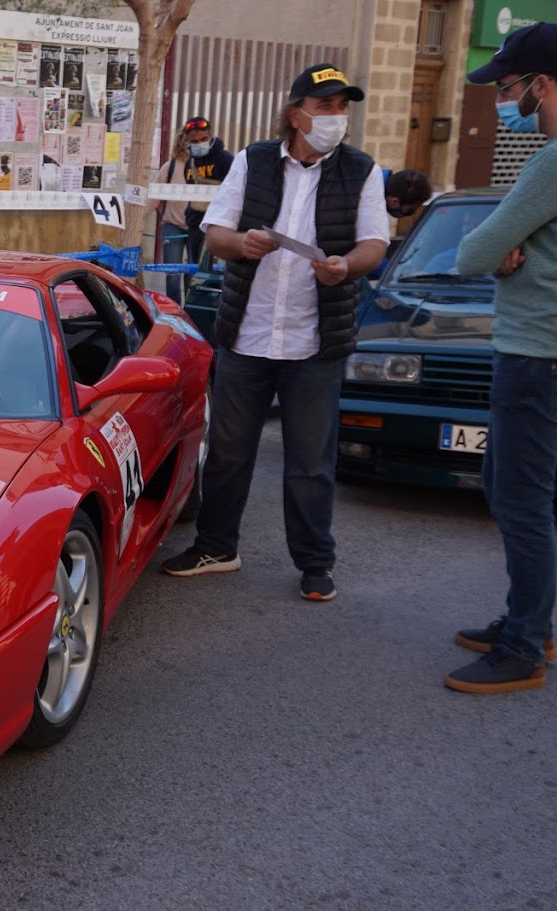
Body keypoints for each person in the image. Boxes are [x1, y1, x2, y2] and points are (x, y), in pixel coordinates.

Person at [160, 64, 389, 602]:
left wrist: (346, 266)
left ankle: (314, 561)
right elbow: (215, 233)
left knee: (310, 461)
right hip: (248, 334)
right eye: (326, 106)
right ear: (296, 114)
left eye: (342, 107)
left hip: (315, 341)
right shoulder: (253, 160)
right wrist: (243, 245)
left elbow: (374, 244)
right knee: (229, 451)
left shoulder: (362, 170)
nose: (337, 117)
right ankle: (217, 547)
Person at [445, 23, 557, 694]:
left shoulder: (550, 160)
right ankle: (530, 618)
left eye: (510, 86)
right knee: (514, 490)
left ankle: (524, 645)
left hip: (532, 354)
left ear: (542, 84)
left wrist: (505, 254)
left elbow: (470, 254)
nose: (504, 99)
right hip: (542, 352)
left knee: (519, 501)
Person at [181, 116, 235, 271]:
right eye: (195, 141)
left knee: (213, 271)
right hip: (195, 223)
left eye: (203, 139)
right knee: (192, 268)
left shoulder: (225, 159)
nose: (199, 144)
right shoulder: (189, 164)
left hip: (219, 225)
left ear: (211, 137)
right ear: (188, 142)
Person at [151, 128, 193, 300]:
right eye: (189, 141)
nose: (192, 146)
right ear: (180, 143)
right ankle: (174, 312)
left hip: (197, 228)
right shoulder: (169, 168)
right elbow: (154, 198)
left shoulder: (204, 170)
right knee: (172, 275)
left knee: (193, 275)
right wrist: (137, 221)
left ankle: (191, 312)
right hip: (172, 226)